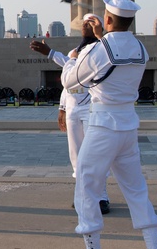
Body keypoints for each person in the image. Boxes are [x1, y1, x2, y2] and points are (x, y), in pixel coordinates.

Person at [60, 0, 157, 249]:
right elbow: (115, 58)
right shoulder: (141, 48)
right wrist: (100, 39)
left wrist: (74, 57)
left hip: (103, 124)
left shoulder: (98, 49)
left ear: (107, 19)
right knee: (136, 190)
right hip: (128, 126)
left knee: (86, 187)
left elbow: (70, 83)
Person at [30, 13, 112, 215]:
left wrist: (53, 54)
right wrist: (62, 108)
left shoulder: (100, 50)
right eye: (84, 23)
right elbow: (68, 81)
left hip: (92, 107)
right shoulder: (75, 52)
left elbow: (74, 65)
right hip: (74, 109)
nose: (86, 25)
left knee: (95, 154)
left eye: (91, 23)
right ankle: (83, 194)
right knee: (76, 155)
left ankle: (101, 196)